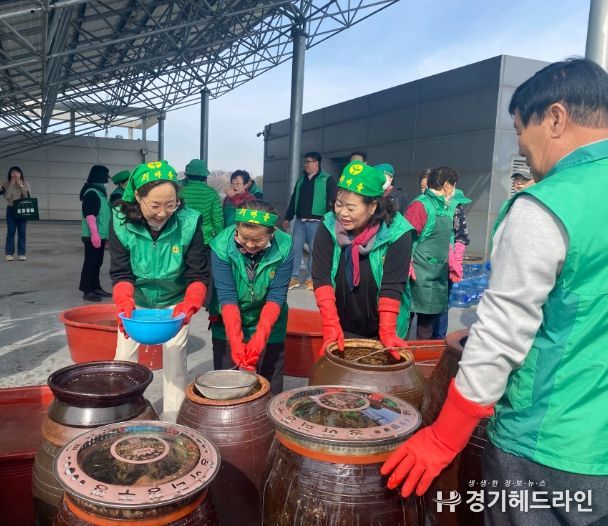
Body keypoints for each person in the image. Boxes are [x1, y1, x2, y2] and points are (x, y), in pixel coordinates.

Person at [381, 58, 608, 525]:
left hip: (548, 445)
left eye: (521, 130)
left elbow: (503, 332)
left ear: (556, 118)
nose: (521, 145)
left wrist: (444, 437)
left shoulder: (548, 205)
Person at [110, 160, 209, 421]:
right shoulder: (121, 221)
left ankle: (173, 420)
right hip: (136, 300)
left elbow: (198, 274)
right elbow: (121, 272)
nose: (163, 213)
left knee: (175, 359)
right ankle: (121, 413)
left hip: (175, 301)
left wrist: (190, 304)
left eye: (171, 204)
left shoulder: (189, 222)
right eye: (154, 205)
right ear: (138, 197)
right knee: (124, 359)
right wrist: (124, 301)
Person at [312, 161, 413, 356]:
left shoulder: (398, 232)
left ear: (372, 206)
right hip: (340, 322)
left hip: (382, 326)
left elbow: (392, 286)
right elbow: (321, 277)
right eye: (339, 204)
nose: (342, 213)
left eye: (351, 208)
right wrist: (330, 323)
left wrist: (387, 331)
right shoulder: (329, 225)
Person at [209, 200, 292, 394]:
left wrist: (259, 339)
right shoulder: (221, 245)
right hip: (227, 320)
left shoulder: (285, 246)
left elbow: (276, 296)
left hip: (270, 321)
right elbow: (227, 297)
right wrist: (236, 342)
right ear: (237, 227)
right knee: (228, 386)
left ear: (272, 233)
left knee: (269, 384)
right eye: (244, 237)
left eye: (257, 240)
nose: (249, 244)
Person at [405, 167, 459, 340]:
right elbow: (405, 238)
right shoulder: (420, 206)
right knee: (405, 321)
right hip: (417, 273)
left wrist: (452, 260)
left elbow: (449, 237)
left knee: (427, 327)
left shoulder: (446, 207)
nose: (455, 190)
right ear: (446, 186)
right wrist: (407, 264)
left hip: (437, 273)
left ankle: (422, 354)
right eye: (454, 186)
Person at [283, 151, 337, 291]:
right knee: (295, 249)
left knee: (314, 250)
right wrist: (288, 217)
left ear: (316, 163)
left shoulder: (327, 179)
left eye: (309, 162)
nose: (306, 164)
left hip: (317, 222)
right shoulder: (301, 180)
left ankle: (311, 278)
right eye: (305, 162)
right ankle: (294, 277)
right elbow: (294, 199)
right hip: (300, 222)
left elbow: (332, 200)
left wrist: (329, 219)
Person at [433, 187, 471, 339]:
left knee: (441, 303)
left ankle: (437, 338)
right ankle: (436, 338)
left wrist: (456, 260)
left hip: (445, 264)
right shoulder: (437, 209)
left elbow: (461, 237)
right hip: (437, 262)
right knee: (438, 303)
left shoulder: (453, 210)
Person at [79, 165, 111, 302]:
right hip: (92, 236)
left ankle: (96, 287)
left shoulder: (100, 193)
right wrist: (94, 234)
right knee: (90, 263)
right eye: (106, 176)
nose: (107, 180)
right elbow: (89, 214)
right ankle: (87, 290)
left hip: (100, 235)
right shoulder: (92, 193)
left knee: (98, 262)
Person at [179, 158, 224, 245]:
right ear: (205, 176)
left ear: (187, 175)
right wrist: (220, 241)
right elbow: (217, 221)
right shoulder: (212, 193)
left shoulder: (180, 192)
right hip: (204, 239)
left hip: (183, 237)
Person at [2, 166, 31, 261]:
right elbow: (7, 197)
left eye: (17, 172)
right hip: (11, 209)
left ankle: (22, 253)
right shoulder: (6, 184)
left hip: (22, 209)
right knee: (11, 231)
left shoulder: (26, 183)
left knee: (22, 232)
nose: (15, 174)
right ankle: (9, 253)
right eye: (13, 172)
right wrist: (11, 184)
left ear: (20, 174)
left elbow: (27, 196)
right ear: (10, 174)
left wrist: (20, 185)